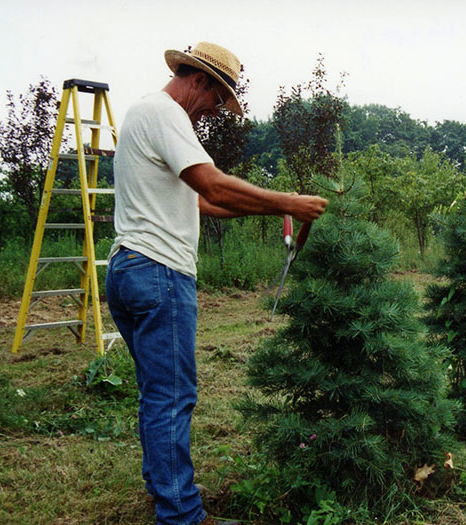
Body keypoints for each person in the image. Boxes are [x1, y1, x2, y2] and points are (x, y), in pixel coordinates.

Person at [105, 41, 328, 525]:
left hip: (128, 268)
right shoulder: (166, 114)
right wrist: (288, 199)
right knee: (172, 395)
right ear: (199, 80)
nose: (211, 112)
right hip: (159, 273)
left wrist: (274, 207)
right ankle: (182, 513)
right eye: (214, 99)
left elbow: (203, 203)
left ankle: (166, 487)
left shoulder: (144, 114)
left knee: (156, 391)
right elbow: (213, 184)